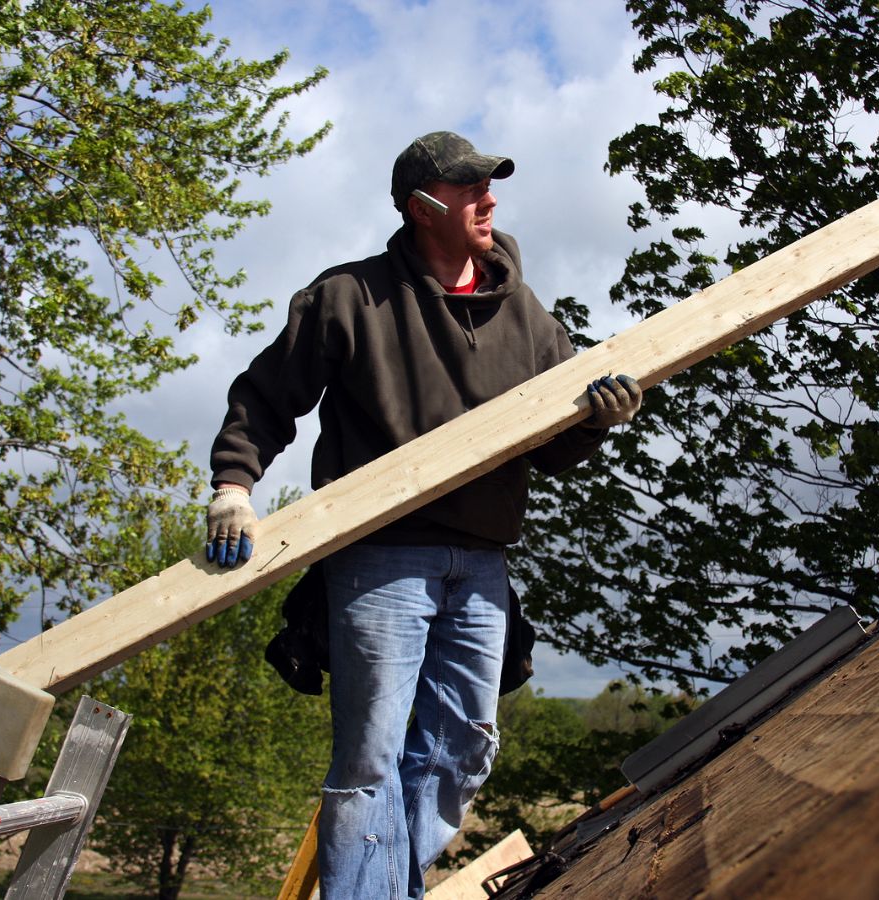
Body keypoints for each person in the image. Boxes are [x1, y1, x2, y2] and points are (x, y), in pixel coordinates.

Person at [205, 131, 641, 899]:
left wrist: (598, 419)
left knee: (461, 749)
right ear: (422, 207)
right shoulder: (349, 298)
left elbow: (553, 450)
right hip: (380, 557)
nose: (490, 199)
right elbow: (267, 396)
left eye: (490, 186)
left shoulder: (526, 314)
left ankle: (391, 890)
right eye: (471, 188)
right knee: (370, 757)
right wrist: (234, 486)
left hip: (482, 565)